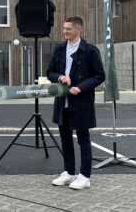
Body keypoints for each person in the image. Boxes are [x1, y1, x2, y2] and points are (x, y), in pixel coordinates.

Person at [47, 16, 105, 190]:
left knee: (83, 139)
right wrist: (59, 77)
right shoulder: (59, 49)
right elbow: (50, 72)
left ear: (78, 29)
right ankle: (69, 172)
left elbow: (99, 75)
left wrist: (80, 87)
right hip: (62, 101)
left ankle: (85, 176)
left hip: (81, 101)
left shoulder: (90, 50)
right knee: (65, 138)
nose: (65, 31)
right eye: (64, 28)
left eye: (68, 29)